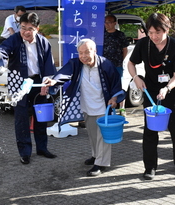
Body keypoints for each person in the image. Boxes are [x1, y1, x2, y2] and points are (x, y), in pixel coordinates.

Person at [44, 38, 125, 176]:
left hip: (103, 106)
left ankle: (101, 163)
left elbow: (116, 83)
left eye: (87, 52)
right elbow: (64, 74)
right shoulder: (76, 63)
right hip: (87, 105)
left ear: (95, 51)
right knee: (93, 134)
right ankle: (95, 156)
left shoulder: (105, 64)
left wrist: (114, 98)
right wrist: (53, 81)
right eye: (80, 53)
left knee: (103, 136)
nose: (83, 56)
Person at [128, 13, 175, 180]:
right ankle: (150, 167)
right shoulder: (143, 44)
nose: (154, 36)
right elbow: (130, 63)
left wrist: (167, 88)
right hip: (149, 90)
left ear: (167, 29)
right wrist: (135, 78)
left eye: (158, 32)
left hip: (171, 90)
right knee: (150, 129)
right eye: (151, 32)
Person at [0, 12, 57, 164]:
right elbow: (3, 49)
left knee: (41, 117)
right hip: (17, 82)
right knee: (21, 118)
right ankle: (25, 152)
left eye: (30, 28)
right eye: (23, 27)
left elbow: (48, 64)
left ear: (37, 29)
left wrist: (46, 83)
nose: (26, 31)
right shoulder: (14, 39)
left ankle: (42, 148)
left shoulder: (43, 42)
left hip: (38, 82)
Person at [103, 14, 129, 116]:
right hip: (104, 65)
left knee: (118, 85)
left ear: (115, 23)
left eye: (109, 22)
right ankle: (107, 107)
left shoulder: (120, 35)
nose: (107, 24)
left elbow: (125, 49)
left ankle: (121, 108)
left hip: (117, 64)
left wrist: (121, 60)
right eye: (105, 22)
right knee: (105, 86)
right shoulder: (102, 34)